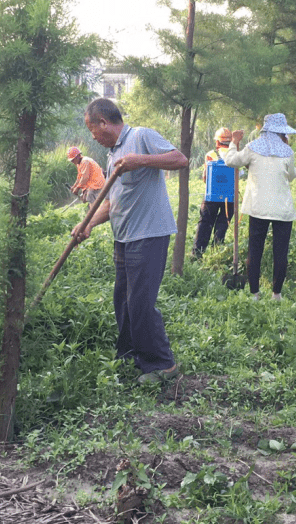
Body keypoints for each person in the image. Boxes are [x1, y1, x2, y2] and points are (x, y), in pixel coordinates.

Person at [71, 98, 187, 384]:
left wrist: (141, 160)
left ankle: (163, 365)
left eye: (92, 128)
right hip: (124, 237)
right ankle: (130, 355)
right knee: (122, 300)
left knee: (140, 302)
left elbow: (180, 160)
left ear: (104, 123)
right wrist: (87, 224)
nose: (92, 136)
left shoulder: (141, 137)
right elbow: (111, 203)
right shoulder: (112, 156)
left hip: (148, 235)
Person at [223, 113, 296, 301]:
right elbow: (291, 176)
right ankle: (276, 294)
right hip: (282, 210)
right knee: (280, 253)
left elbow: (231, 161)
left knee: (255, 251)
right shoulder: (287, 151)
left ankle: (255, 293)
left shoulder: (252, 148)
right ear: (281, 133)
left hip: (258, 208)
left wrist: (233, 142)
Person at [192, 128, 236, 257]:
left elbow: (205, 177)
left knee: (205, 224)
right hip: (229, 198)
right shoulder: (235, 155)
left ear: (217, 142)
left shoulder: (211, 154)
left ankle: (198, 254)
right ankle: (216, 253)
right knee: (222, 226)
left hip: (211, 196)